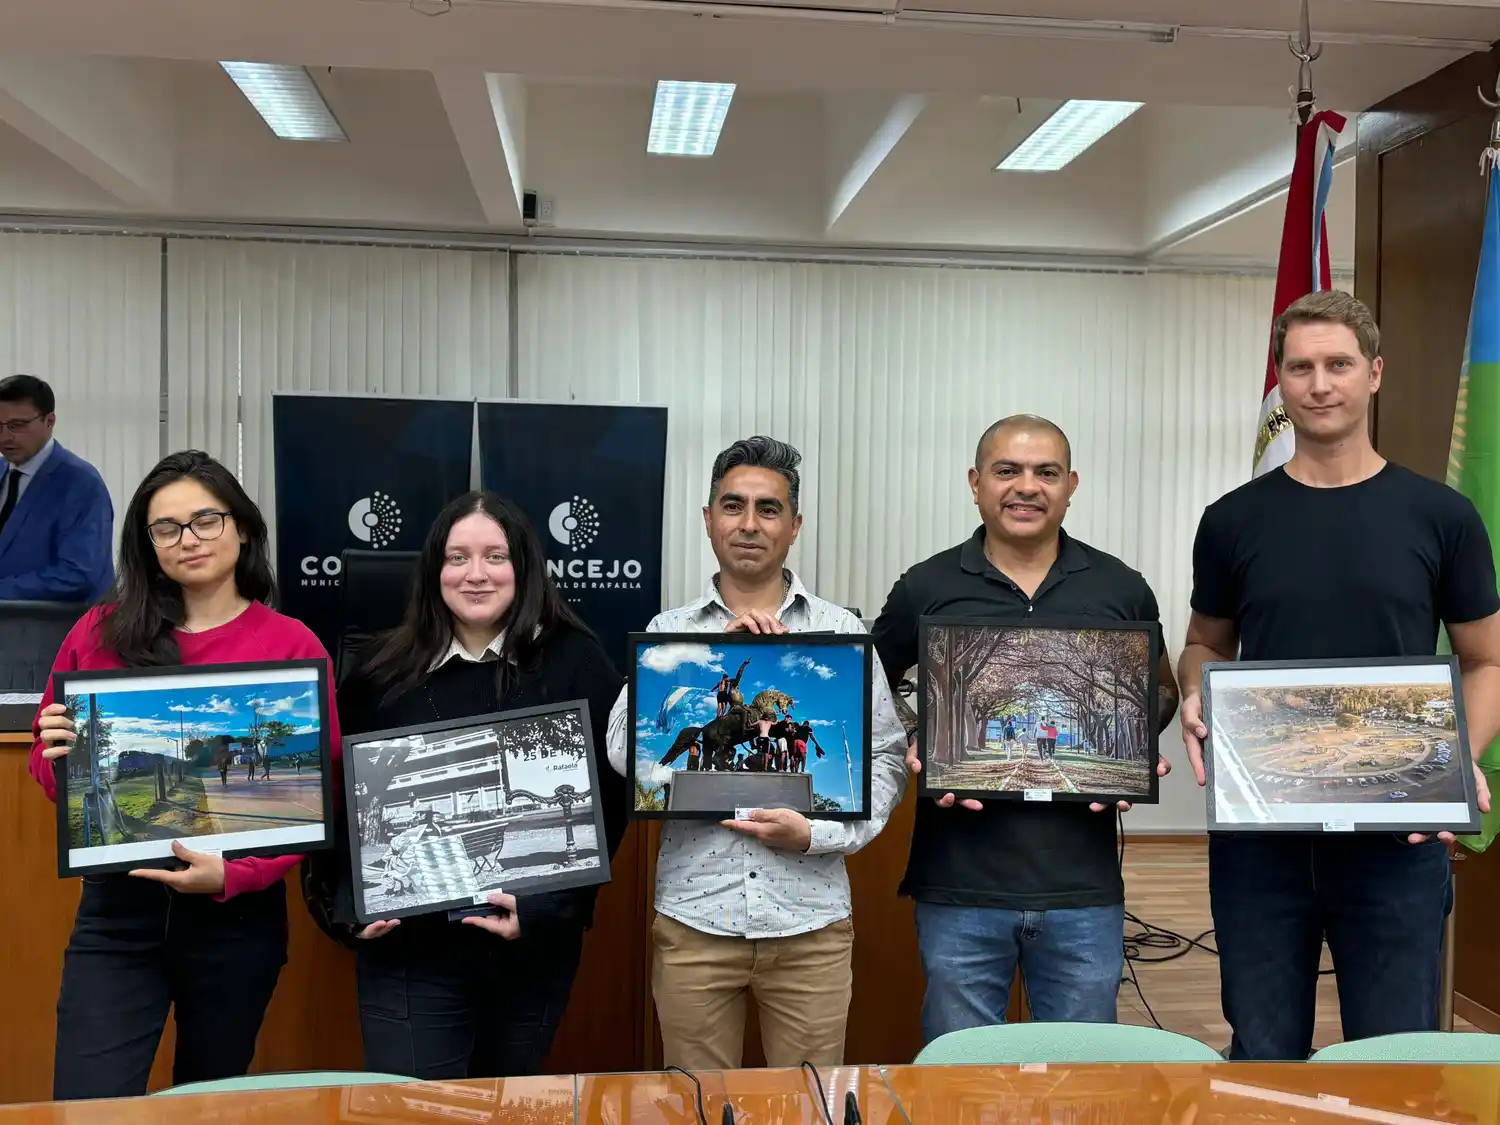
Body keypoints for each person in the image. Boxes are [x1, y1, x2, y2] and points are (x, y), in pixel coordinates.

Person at [1176, 290, 1500, 1061]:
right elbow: (1205, 645)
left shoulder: (1442, 517)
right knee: (1263, 1047)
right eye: (1301, 367)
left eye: (1338, 365)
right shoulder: (1232, 520)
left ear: (1374, 373)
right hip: (1260, 830)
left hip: (1396, 832)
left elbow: (1486, 659)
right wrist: (1195, 692)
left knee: (1393, 1057)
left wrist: (1458, 760)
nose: (1319, 383)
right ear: (1281, 383)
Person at [30, 449, 339, 1100]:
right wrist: (57, 755)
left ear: (243, 527)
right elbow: (49, 767)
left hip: (237, 918)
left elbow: (317, 791)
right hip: (119, 913)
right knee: (89, 1103)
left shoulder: (292, 645)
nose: (187, 539)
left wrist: (236, 874)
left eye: (205, 519)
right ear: (147, 543)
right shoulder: (102, 630)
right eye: (165, 527)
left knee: (209, 1106)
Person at [872, 414, 1179, 1043]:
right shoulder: (925, 586)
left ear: (1071, 486)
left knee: (1079, 1078)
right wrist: (916, 735)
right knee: (961, 1078)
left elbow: (1165, 688)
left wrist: (1128, 743)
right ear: (976, 483)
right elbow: (870, 684)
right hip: (960, 882)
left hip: (1083, 886)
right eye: (1007, 470)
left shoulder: (1121, 587)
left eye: (1046, 472)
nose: (1026, 486)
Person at [605, 435, 908, 1070]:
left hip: (811, 925)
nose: (749, 524)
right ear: (709, 519)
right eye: (733, 506)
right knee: (693, 1106)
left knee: (811, 1107)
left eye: (768, 509)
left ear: (794, 525)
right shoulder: (670, 632)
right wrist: (717, 652)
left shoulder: (842, 634)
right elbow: (618, 747)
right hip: (693, 922)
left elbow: (883, 757)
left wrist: (819, 834)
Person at [325, 491, 628, 1080]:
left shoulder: (578, 662)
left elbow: (611, 804)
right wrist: (353, 908)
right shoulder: (377, 675)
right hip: (408, 956)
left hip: (528, 952)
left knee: (507, 1111)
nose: (476, 574)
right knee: (416, 1115)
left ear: (525, 567)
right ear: (434, 569)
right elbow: (341, 806)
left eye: (495, 555)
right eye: (458, 556)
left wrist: (546, 910)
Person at [0, 374, 113, 601]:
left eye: (17, 425)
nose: (4, 437)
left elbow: (78, 575)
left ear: (49, 421)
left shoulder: (81, 483)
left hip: (56, 629)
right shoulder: (2, 470)